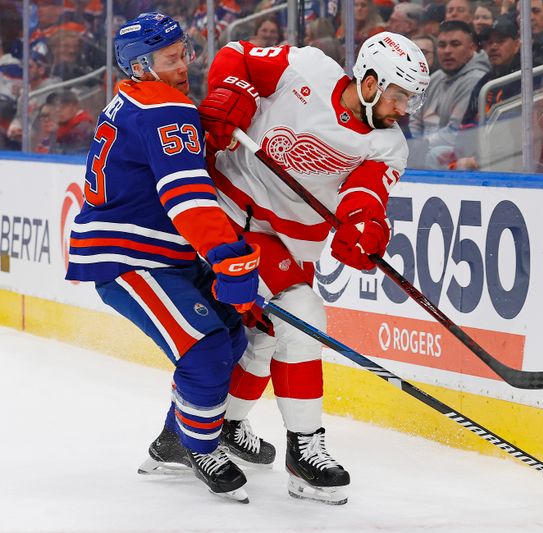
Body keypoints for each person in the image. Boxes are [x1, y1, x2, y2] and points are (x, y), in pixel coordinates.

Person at [198, 31, 430, 505]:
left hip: (284, 240)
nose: (403, 109)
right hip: (225, 207)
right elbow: (237, 55)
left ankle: (221, 425)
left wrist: (363, 227)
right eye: (398, 95)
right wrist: (231, 91)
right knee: (301, 318)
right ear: (369, 82)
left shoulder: (388, 146)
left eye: (409, 99)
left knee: (267, 336)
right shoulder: (305, 68)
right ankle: (302, 450)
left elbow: (365, 194)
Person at [65, 12, 265, 503]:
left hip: (159, 253)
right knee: (206, 350)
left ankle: (174, 440)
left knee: (232, 338)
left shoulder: (138, 99)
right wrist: (227, 257)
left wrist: (202, 131)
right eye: (171, 59)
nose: (185, 65)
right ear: (141, 66)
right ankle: (201, 446)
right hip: (131, 259)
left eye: (185, 53)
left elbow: (158, 169)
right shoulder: (164, 108)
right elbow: (188, 196)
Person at [409, 20, 489, 168]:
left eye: (455, 44)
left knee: (437, 154)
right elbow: (415, 119)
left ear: (472, 48)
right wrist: (414, 143)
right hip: (424, 148)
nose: (447, 51)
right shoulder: (434, 78)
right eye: (442, 45)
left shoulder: (476, 80)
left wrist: (420, 145)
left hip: (459, 153)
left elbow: (455, 133)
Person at [454, 16, 521, 169]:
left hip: (510, 159)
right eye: (489, 42)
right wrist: (466, 154)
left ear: (517, 45)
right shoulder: (485, 81)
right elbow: (467, 124)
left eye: (501, 41)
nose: (493, 47)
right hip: (480, 155)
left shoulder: (526, 78)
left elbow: (515, 131)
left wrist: (478, 158)